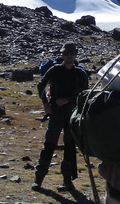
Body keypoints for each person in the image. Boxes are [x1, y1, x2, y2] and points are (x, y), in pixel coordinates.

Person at [33, 42, 89, 192]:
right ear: (62, 55)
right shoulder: (55, 70)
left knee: (70, 147)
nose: (69, 57)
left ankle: (67, 181)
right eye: (66, 54)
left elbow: (85, 95)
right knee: (49, 144)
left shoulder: (81, 74)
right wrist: (45, 104)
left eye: (71, 54)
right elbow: (41, 86)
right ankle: (38, 179)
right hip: (56, 113)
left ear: (75, 55)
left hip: (73, 115)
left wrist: (68, 99)